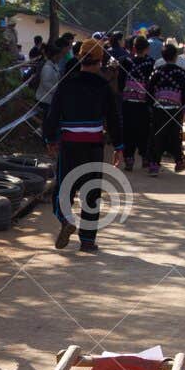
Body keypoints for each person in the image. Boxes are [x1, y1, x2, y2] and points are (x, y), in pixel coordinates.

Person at [44, 38, 123, 253]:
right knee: (91, 192)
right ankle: (87, 241)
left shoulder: (66, 84)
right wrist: (119, 146)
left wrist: (50, 139)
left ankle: (65, 219)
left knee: (62, 189)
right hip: (94, 146)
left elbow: (53, 114)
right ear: (100, 61)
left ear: (80, 58)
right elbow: (114, 118)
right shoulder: (104, 87)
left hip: (70, 145)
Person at [146, 42, 185, 174]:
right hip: (176, 109)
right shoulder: (181, 72)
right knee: (175, 135)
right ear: (176, 56)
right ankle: (179, 161)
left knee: (158, 135)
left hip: (159, 108)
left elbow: (149, 89)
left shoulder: (157, 71)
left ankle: (154, 165)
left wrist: (150, 106)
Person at [117, 35, 155, 171]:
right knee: (144, 130)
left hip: (127, 102)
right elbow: (153, 84)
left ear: (133, 48)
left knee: (128, 130)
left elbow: (120, 83)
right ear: (147, 49)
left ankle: (129, 160)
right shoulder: (151, 62)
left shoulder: (125, 61)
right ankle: (145, 157)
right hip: (144, 102)